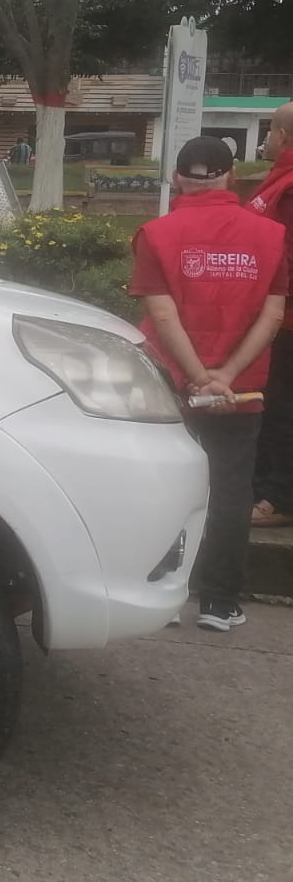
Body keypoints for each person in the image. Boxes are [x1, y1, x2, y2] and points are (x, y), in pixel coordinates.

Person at [129, 136, 286, 631]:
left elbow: (162, 314)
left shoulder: (155, 234)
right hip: (242, 391)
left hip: (170, 385)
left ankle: (164, 594)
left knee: (165, 485)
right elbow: (273, 315)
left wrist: (197, 377)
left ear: (176, 178)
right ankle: (219, 603)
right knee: (231, 491)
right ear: (231, 177)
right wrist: (226, 377)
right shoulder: (272, 235)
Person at [247, 102, 293, 527]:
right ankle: (264, 485)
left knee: (282, 408)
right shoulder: (279, 180)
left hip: (286, 318)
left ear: (282, 136)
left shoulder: (290, 186)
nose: (266, 139)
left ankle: (281, 498)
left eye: (269, 131)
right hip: (273, 314)